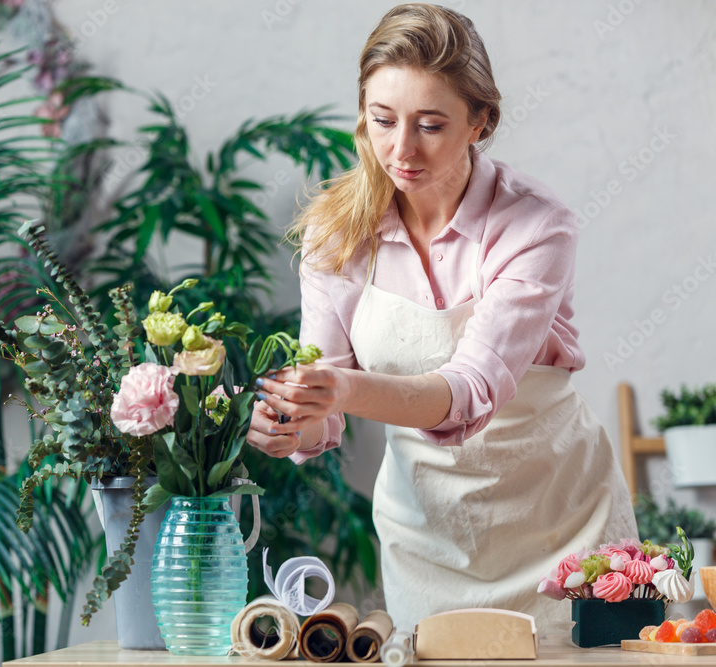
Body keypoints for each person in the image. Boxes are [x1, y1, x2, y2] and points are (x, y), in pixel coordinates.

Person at [245, 3, 636, 631]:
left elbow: (468, 391)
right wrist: (295, 425)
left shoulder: (534, 224)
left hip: (562, 525)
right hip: (427, 539)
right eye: (382, 120)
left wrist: (338, 389)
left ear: (482, 120)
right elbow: (326, 398)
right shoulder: (335, 232)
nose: (401, 149)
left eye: (430, 125)